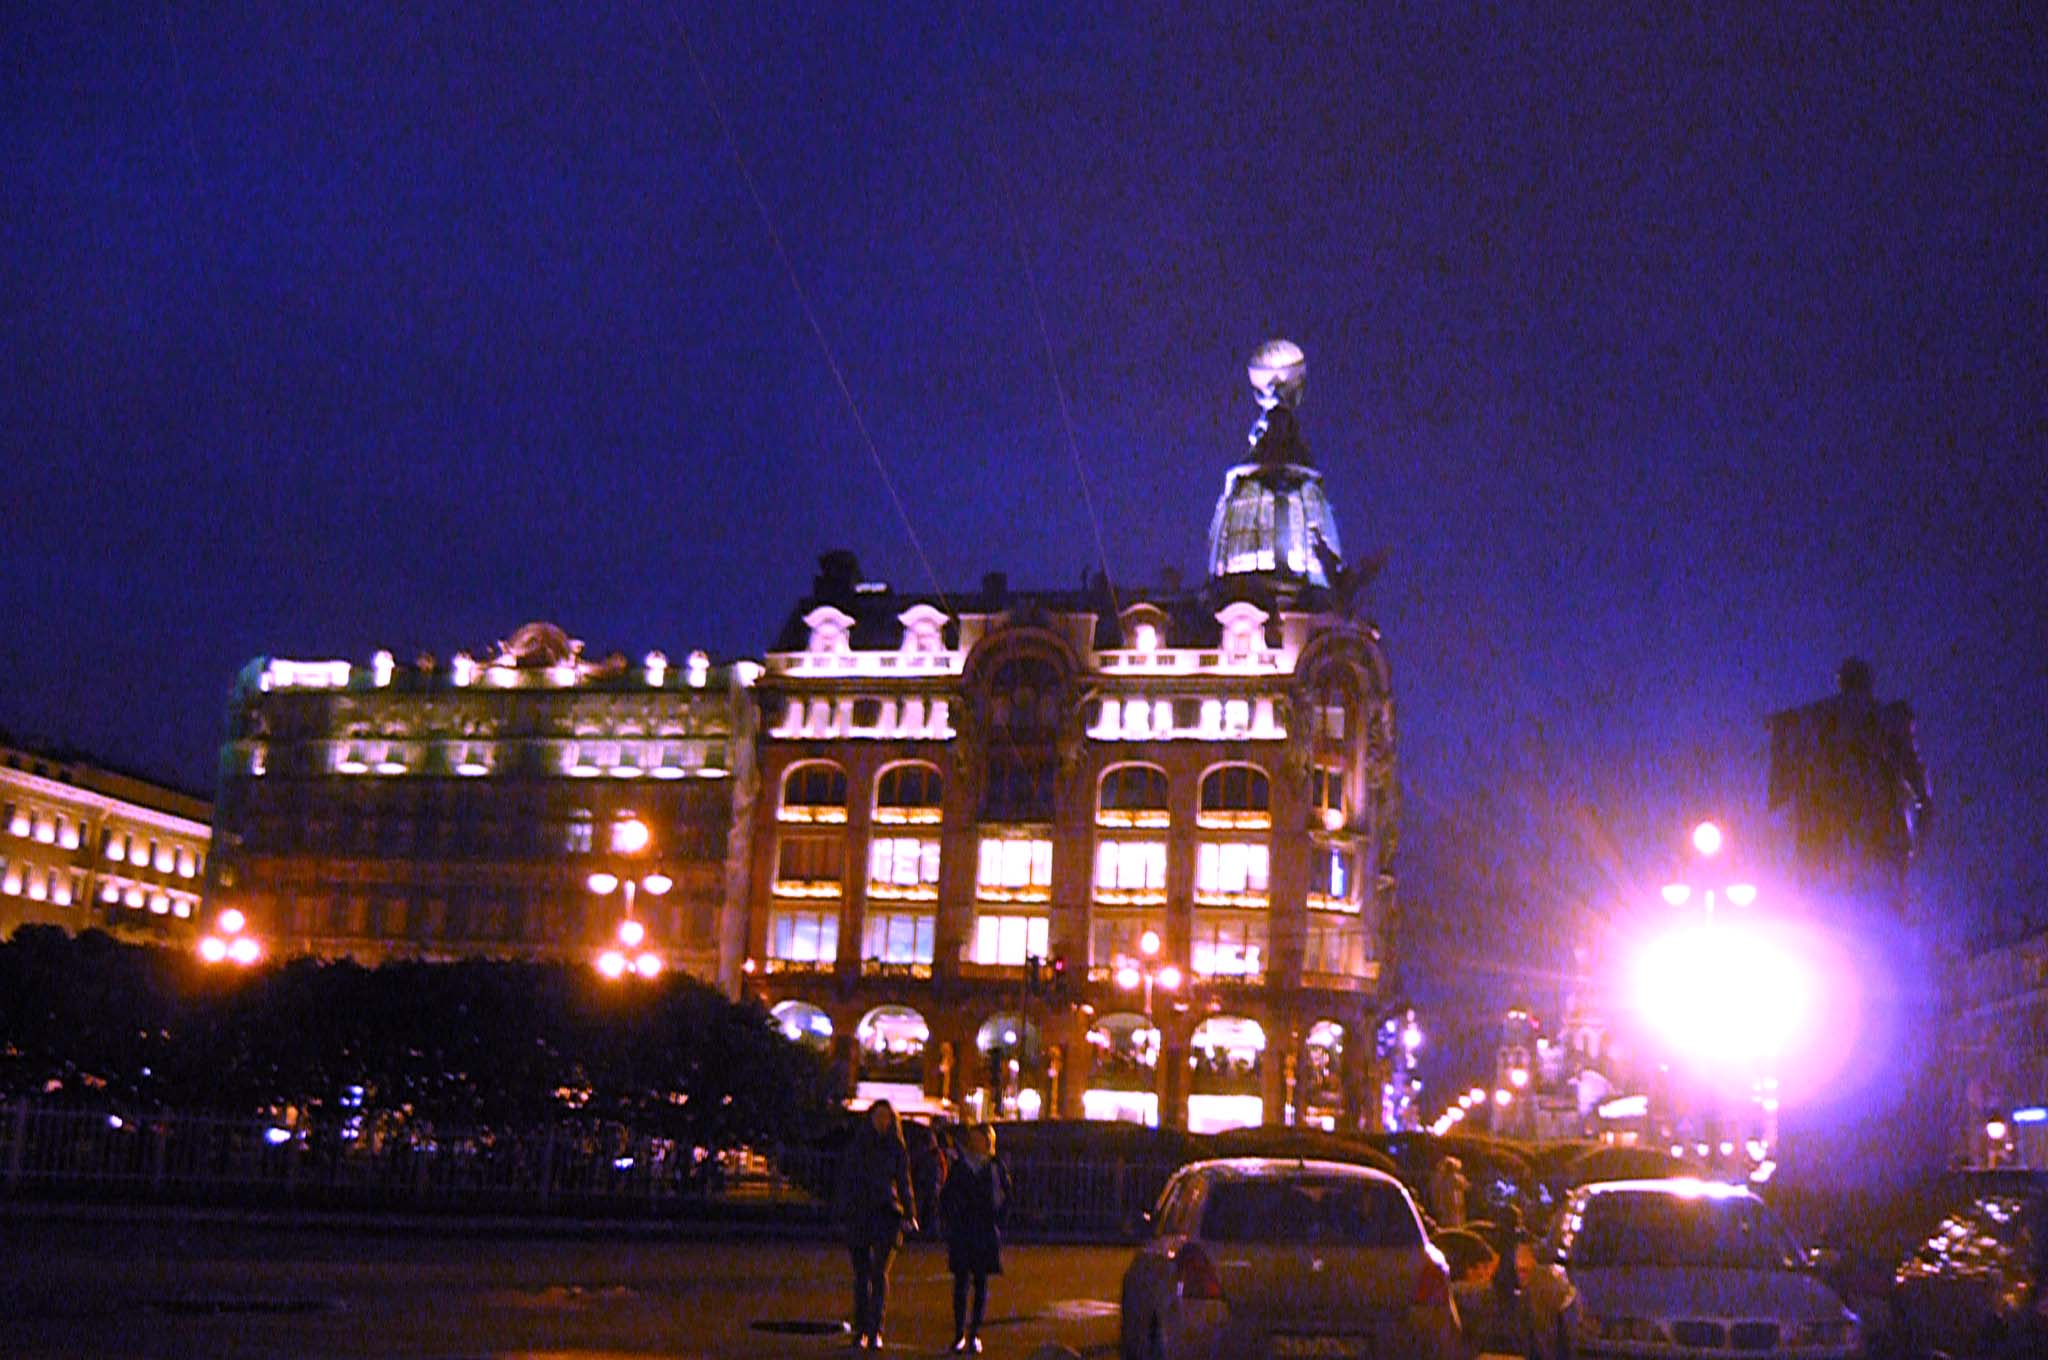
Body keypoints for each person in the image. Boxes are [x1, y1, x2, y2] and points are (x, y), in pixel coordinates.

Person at [836, 1100, 918, 1351]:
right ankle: (861, 1328)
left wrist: (909, 1212)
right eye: (878, 1116)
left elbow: (904, 1181)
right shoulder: (859, 1146)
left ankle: (875, 1330)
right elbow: (847, 1179)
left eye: (887, 1117)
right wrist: (844, 1209)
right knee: (862, 1275)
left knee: (880, 1272)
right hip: (861, 1213)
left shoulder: (896, 1147)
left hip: (886, 1213)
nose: (882, 1121)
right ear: (871, 1118)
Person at [938, 1122, 1009, 1354]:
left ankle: (974, 1333)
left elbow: (1004, 1197)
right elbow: (947, 1195)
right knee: (961, 1282)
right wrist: (949, 1218)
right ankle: (959, 1333)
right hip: (963, 1230)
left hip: (984, 1229)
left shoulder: (995, 1166)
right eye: (974, 1138)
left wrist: (998, 1219)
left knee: (980, 1282)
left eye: (981, 1139)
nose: (977, 1143)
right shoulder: (961, 1166)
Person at [1429, 1156, 1468, 1228]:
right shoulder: (1441, 1179)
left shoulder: (1455, 1178)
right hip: (1449, 1208)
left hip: (1455, 1208)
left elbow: (1465, 1186)